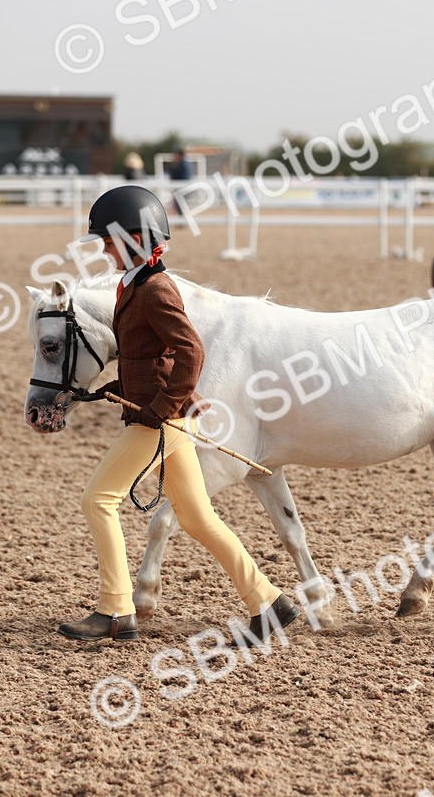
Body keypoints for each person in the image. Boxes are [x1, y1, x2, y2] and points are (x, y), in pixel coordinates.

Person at [58, 184, 299, 642]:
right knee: (196, 517)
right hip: (165, 415)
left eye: (108, 241)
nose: (103, 250)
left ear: (134, 238)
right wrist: (119, 387)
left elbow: (189, 350)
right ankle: (268, 602)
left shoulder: (155, 289)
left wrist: (162, 407)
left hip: (160, 420)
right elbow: (147, 355)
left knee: (98, 500)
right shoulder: (135, 285)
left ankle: (115, 610)